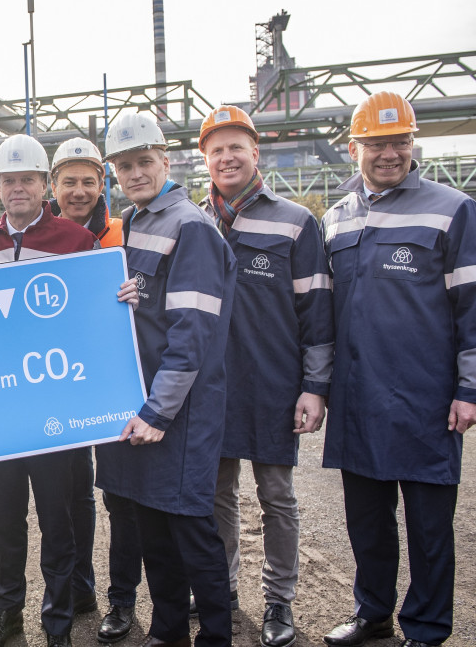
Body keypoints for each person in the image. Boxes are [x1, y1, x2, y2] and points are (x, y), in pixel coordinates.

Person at [321, 92, 476, 647]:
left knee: (429, 526)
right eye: (377, 144)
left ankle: (427, 629)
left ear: (413, 144)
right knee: (366, 520)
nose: (389, 153)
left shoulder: (452, 209)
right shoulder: (335, 219)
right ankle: (373, 613)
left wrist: (469, 388)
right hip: (357, 396)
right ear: (353, 148)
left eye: (400, 142)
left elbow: (472, 305)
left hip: (425, 397)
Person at [94, 111, 236, 647]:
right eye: (124, 166)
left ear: (166, 161)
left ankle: (215, 638)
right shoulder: (136, 220)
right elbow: (155, 305)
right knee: (153, 529)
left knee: (192, 532)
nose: (135, 173)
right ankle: (169, 631)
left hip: (179, 410)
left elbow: (193, 330)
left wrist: (158, 412)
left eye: (144, 162)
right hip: (146, 402)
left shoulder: (189, 226)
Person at [197, 106, 333, 647]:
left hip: (274, 384)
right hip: (213, 387)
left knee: (276, 496)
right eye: (217, 150)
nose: (227, 158)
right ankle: (221, 586)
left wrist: (314, 386)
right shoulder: (195, 222)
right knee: (216, 494)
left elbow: (317, 312)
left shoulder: (296, 222)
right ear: (205, 159)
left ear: (255, 152)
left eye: (237, 147)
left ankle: (279, 599)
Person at [0, 134, 94, 647]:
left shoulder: (77, 241)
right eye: (9, 180)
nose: (18, 188)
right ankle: (7, 617)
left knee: (58, 524)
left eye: (28, 179)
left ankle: (57, 623)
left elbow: (88, 318)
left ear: (45, 184)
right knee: (6, 524)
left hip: (52, 411)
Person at [48, 136, 123, 621]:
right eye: (69, 181)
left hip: (113, 378)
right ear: (53, 187)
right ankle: (82, 588)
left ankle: (123, 597)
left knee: (119, 493)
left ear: (102, 185)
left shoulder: (123, 232)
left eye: (88, 182)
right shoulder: (42, 238)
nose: (79, 191)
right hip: (61, 382)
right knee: (73, 490)